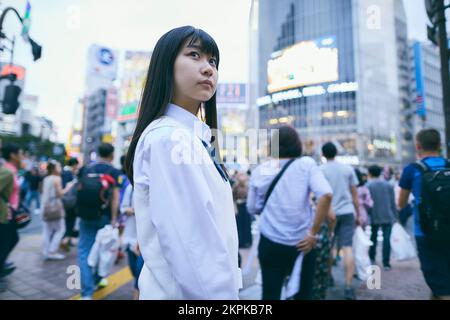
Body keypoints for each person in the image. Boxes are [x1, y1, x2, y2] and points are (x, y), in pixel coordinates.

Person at [125, 26, 241, 300]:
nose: (208, 69)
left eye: (213, 61)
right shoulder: (169, 138)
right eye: (194, 55)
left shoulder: (195, 137)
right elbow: (194, 248)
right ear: (166, 65)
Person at [246, 126, 333, 300]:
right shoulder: (306, 164)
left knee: (270, 294)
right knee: (303, 294)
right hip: (302, 243)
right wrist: (313, 233)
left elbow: (252, 207)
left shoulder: (260, 170)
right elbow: (326, 194)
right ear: (297, 144)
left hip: (270, 242)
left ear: (272, 146)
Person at [398, 128, 450, 300]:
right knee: (440, 281)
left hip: (426, 232)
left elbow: (401, 203)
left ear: (418, 146)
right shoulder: (448, 165)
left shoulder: (412, 170)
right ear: (439, 145)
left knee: (441, 286)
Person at [77, 143, 121, 300]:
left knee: (84, 252)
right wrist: (115, 218)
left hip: (86, 216)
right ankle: (97, 279)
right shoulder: (114, 172)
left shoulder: (87, 169)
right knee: (103, 251)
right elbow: (115, 197)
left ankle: (87, 293)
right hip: (105, 217)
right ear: (112, 155)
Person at [321, 142, 360, 300]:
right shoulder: (347, 169)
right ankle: (349, 286)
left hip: (329, 212)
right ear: (336, 152)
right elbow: (355, 195)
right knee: (347, 247)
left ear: (323, 154)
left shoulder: (320, 170)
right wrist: (358, 214)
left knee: (329, 246)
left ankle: (329, 277)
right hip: (347, 211)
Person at [41, 161, 74, 260]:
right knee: (61, 229)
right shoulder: (57, 179)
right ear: (53, 169)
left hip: (45, 207)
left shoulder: (46, 178)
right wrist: (68, 187)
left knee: (47, 231)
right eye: (59, 166)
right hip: (55, 207)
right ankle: (52, 251)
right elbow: (60, 194)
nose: (60, 168)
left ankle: (45, 252)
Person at [366, 165, 396, 270]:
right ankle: (386, 263)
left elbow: (367, 203)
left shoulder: (368, 185)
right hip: (388, 215)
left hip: (374, 215)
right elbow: (393, 203)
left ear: (369, 173)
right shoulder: (388, 185)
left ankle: (372, 258)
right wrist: (396, 217)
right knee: (386, 239)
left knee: (373, 237)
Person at [0, 143, 23, 279]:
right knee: (6, 242)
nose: (22, 157)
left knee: (11, 239)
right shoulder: (7, 171)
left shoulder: (12, 170)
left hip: (10, 213)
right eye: (20, 153)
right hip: (4, 214)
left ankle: (2, 264)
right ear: (13, 155)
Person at [120, 183, 143, 300]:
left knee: (139, 272)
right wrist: (135, 211)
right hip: (130, 236)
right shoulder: (131, 188)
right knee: (133, 270)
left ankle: (137, 294)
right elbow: (123, 207)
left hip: (144, 239)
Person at [61, 157, 80, 251]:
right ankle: (65, 240)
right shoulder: (68, 173)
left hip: (67, 201)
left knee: (69, 220)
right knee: (70, 220)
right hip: (69, 201)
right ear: (73, 164)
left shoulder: (65, 172)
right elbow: (67, 187)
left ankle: (67, 239)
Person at [232, 171, 252, 249]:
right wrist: (235, 207)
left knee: (247, 224)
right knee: (239, 225)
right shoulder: (236, 186)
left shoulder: (248, 186)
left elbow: (250, 197)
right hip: (239, 206)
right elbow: (232, 197)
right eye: (240, 175)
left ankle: (247, 241)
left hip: (246, 207)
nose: (242, 177)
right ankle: (241, 242)